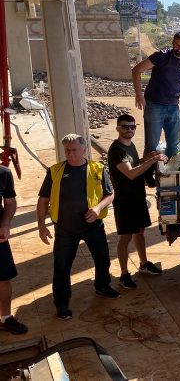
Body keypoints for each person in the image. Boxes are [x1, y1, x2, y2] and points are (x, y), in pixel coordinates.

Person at [37, 134, 119, 320]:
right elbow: (43, 200)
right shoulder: (55, 171)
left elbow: (110, 194)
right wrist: (42, 226)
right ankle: (62, 304)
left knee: (102, 258)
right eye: (67, 150)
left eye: (74, 150)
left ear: (84, 149)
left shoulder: (97, 169)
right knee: (62, 266)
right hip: (66, 229)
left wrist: (98, 208)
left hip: (93, 226)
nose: (70, 153)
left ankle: (103, 286)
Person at [107, 114, 168, 289]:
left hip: (137, 198)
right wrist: (153, 161)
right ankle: (124, 274)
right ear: (118, 128)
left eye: (132, 127)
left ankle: (143, 264)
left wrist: (149, 157)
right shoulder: (117, 150)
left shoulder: (130, 145)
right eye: (125, 127)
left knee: (139, 232)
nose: (129, 130)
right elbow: (131, 173)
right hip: (125, 201)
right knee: (125, 238)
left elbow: (136, 164)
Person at [132, 31, 180, 159]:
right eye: (177, 45)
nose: (179, 49)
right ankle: (148, 175)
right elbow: (136, 70)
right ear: (172, 43)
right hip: (154, 105)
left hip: (174, 108)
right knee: (151, 145)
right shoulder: (160, 56)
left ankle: (169, 176)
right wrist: (139, 94)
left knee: (173, 145)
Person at [0, 165, 27, 334]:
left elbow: (10, 202)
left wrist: (5, 224)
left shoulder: (3, 173)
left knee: (4, 278)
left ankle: (6, 318)